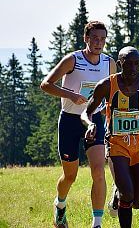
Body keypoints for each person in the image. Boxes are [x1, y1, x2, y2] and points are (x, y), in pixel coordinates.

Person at [40, 21, 116, 228]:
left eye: (102, 39)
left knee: (98, 171)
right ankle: (60, 204)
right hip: (70, 121)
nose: (98, 43)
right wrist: (71, 95)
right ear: (86, 39)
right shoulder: (73, 60)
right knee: (70, 176)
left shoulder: (109, 63)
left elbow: (113, 94)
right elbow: (46, 84)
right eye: (94, 39)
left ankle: (97, 223)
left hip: (94, 120)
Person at [81, 46, 139, 228]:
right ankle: (122, 194)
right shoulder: (107, 85)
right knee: (129, 195)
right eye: (128, 64)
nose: (133, 68)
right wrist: (91, 124)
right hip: (117, 145)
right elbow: (86, 113)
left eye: (137, 64)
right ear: (119, 64)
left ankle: (117, 195)